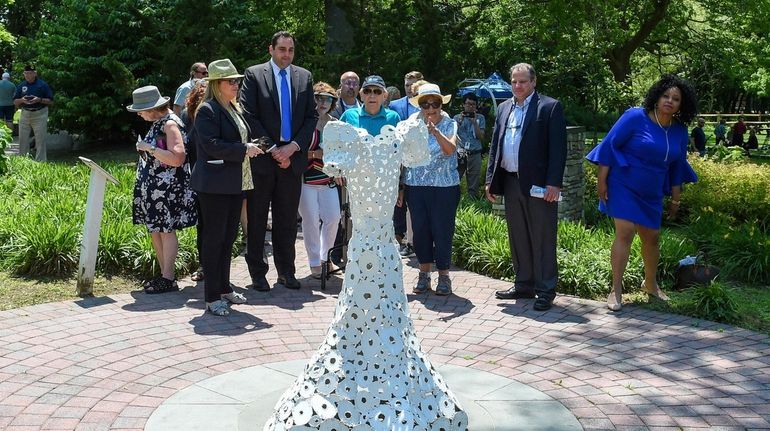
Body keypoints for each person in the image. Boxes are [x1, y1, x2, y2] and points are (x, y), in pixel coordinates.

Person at [586, 74, 698, 312]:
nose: (669, 101)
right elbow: (610, 145)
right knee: (625, 232)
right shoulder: (635, 117)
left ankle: (651, 284)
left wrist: (676, 199)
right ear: (656, 97)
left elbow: (678, 166)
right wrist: (601, 181)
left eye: (675, 99)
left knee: (652, 237)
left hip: (652, 191)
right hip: (623, 183)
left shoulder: (679, 131)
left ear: (682, 104)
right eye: (665, 96)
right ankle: (615, 290)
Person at [239, 30, 317, 291]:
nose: (286, 54)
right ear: (270, 49)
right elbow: (249, 115)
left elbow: (310, 118)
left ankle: (286, 271)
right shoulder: (254, 74)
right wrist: (274, 149)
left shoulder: (304, 77)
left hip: (292, 161)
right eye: (282, 49)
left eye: (290, 50)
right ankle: (258, 274)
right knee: (258, 219)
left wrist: (292, 148)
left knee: (286, 220)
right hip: (263, 159)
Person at [486, 63, 567, 312]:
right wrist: (490, 178)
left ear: (533, 82)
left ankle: (545, 290)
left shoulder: (550, 107)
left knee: (542, 236)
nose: (517, 86)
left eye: (522, 81)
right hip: (511, 181)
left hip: (539, 185)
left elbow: (558, 149)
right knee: (518, 235)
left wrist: (554, 183)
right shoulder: (503, 108)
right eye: (514, 81)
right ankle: (524, 284)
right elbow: (495, 145)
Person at [191, 59, 262, 315]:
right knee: (214, 240)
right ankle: (211, 297)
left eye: (237, 80)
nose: (236, 85)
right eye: (231, 81)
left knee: (228, 238)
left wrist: (252, 144)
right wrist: (244, 149)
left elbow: (234, 138)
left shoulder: (233, 107)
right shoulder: (207, 110)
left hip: (234, 182)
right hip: (214, 185)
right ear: (216, 84)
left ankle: (224, 288)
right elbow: (211, 145)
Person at [126, 85, 197, 293]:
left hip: (167, 189)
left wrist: (151, 149)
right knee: (156, 230)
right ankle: (164, 275)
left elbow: (177, 157)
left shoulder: (170, 124)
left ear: (153, 108)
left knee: (165, 230)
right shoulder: (160, 121)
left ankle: (168, 277)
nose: (139, 114)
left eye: (140, 110)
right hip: (156, 189)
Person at [404, 83, 460, 296]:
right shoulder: (410, 123)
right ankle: (424, 274)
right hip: (416, 186)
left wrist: (435, 131)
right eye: (425, 104)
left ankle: (444, 276)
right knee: (421, 231)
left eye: (434, 103)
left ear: (440, 103)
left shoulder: (450, 123)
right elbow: (402, 153)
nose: (430, 108)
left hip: (444, 187)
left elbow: (449, 150)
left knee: (442, 230)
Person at [298, 82, 342, 279]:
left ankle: (326, 258)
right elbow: (296, 152)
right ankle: (315, 262)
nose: (323, 102)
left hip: (328, 180)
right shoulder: (304, 122)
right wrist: (317, 153)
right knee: (311, 221)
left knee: (334, 218)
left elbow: (341, 153)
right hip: (306, 180)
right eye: (318, 98)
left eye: (328, 99)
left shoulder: (335, 124)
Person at [389, 71, 424, 257]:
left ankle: (416, 241)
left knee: (415, 203)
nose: (410, 87)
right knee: (399, 201)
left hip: (421, 161)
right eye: (407, 83)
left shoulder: (429, 103)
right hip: (399, 159)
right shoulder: (395, 105)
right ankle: (400, 237)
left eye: (414, 83)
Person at [179, 80, 208, 282]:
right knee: (204, 226)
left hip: (208, 177)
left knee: (209, 226)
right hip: (199, 178)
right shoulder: (187, 117)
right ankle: (205, 266)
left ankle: (210, 267)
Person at [13, 65, 53, 161]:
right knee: (22, 139)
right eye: (25, 73)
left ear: (35, 73)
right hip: (25, 114)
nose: (27, 75)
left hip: (39, 113)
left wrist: (39, 99)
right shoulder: (21, 85)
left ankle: (41, 161)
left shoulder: (42, 85)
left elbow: (51, 101)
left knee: (40, 139)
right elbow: (15, 101)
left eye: (30, 73)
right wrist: (22, 100)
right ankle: (23, 161)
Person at [453, 93, 486, 199]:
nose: (470, 107)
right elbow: (452, 134)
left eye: (473, 104)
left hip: (474, 153)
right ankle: (456, 201)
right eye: (468, 104)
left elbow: (480, 136)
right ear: (463, 104)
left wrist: (474, 123)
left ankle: (472, 202)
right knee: (455, 179)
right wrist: (460, 121)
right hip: (460, 153)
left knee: (473, 182)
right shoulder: (457, 117)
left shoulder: (480, 118)